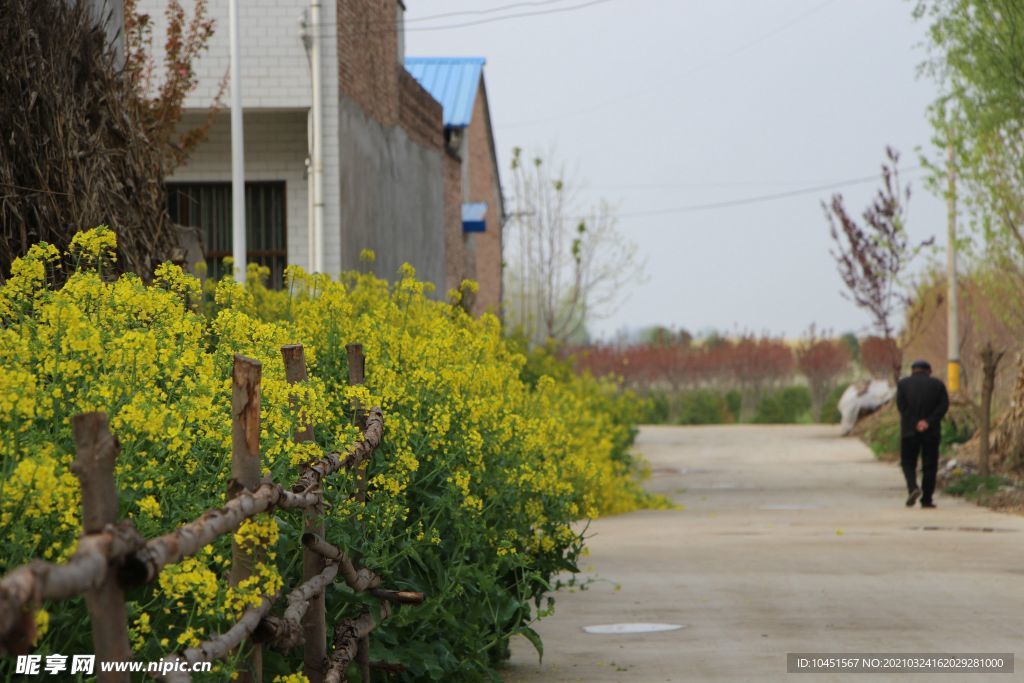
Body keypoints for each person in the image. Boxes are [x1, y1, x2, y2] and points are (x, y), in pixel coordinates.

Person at [896, 359, 949, 508]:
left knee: (907, 462)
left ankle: (913, 487)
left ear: (912, 370)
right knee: (930, 465)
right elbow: (943, 406)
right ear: (929, 371)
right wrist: (928, 422)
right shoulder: (938, 385)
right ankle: (927, 499)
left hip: (909, 432)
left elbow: (902, 407)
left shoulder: (903, 384)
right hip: (931, 432)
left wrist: (914, 423)